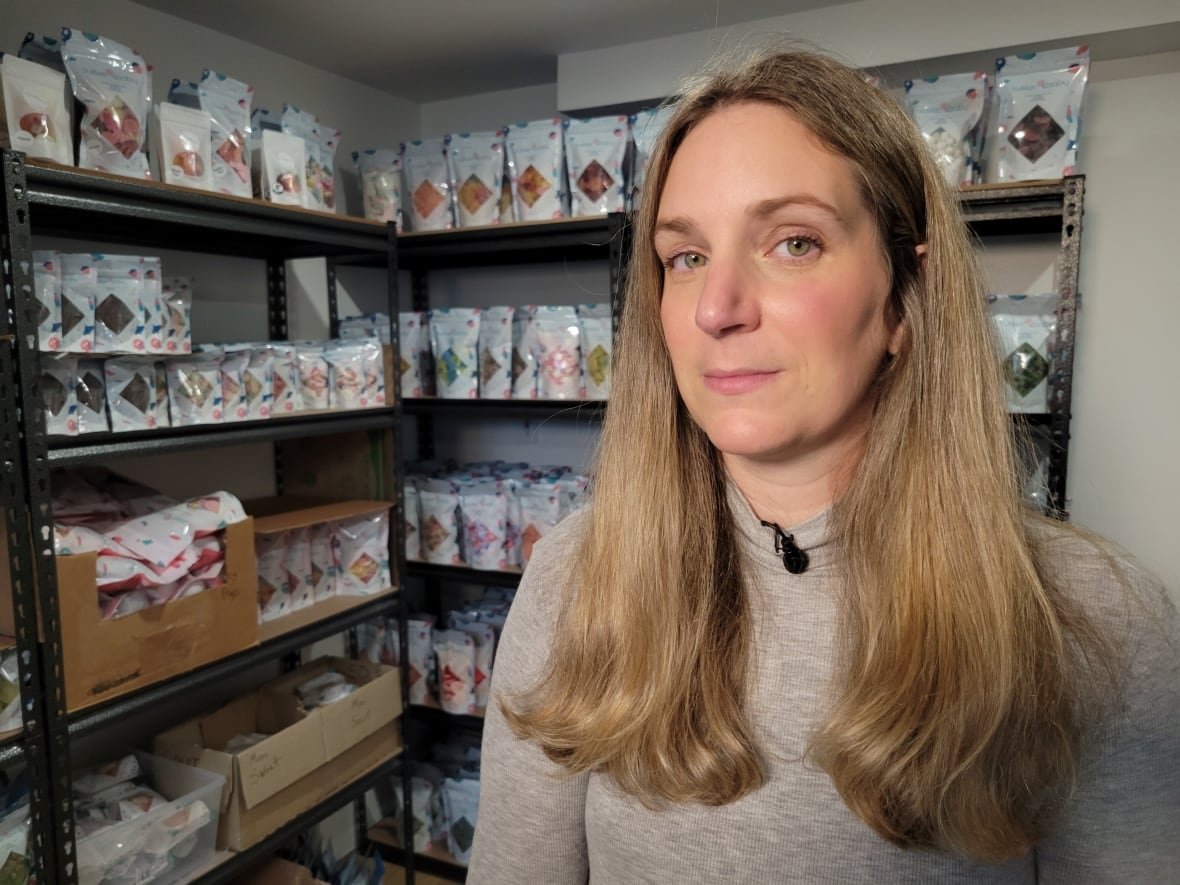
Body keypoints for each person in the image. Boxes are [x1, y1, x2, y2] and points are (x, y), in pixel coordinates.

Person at [467, 47, 1179, 883]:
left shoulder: (1093, 623)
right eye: (685, 256)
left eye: (793, 242)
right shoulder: (573, 581)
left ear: (902, 302)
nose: (717, 307)